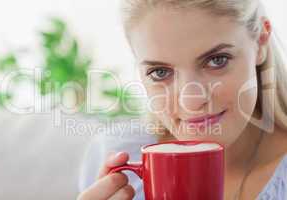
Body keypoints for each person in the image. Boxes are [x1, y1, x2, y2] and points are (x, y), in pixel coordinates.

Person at [77, 0, 287, 199]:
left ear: (260, 42)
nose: (191, 102)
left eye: (217, 60)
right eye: (160, 72)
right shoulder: (116, 160)